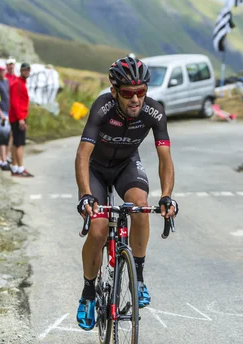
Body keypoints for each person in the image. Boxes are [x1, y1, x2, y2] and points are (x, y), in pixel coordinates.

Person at [75, 56, 178, 331]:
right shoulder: (102, 107)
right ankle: (87, 293)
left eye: (141, 92)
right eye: (127, 93)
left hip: (125, 166)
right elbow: (83, 155)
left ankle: (139, 278)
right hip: (96, 169)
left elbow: (165, 158)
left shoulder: (154, 112)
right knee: (97, 229)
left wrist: (166, 196)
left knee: (140, 206)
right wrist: (86, 195)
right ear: (114, 92)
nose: (135, 99)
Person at [9, 62, 33, 178]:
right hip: (18, 118)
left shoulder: (21, 83)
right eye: (25, 70)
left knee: (16, 143)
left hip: (18, 117)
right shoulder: (17, 83)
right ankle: (20, 168)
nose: (27, 72)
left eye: (28, 70)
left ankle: (15, 167)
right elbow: (14, 102)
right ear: (20, 71)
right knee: (19, 144)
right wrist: (20, 119)